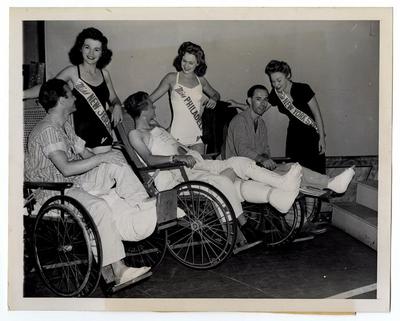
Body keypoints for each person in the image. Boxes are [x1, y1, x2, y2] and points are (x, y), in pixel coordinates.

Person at [124, 91, 311, 245]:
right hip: (176, 176)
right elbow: (149, 159)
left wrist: (186, 151)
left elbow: (176, 145)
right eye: (151, 104)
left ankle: (282, 183)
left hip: (194, 164)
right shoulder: (135, 134)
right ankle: (243, 226)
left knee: (239, 162)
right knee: (221, 181)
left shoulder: (156, 129)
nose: (154, 107)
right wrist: (177, 157)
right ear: (143, 109)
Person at [25, 79, 157, 286]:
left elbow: (84, 155)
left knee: (116, 161)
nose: (76, 97)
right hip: (53, 192)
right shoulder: (47, 130)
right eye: (71, 94)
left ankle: (144, 205)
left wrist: (105, 156)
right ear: (61, 100)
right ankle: (119, 270)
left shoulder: (65, 125)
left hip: (73, 183)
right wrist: (99, 159)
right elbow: (66, 168)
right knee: (99, 206)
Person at [225, 84, 355, 196]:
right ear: (249, 100)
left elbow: (265, 149)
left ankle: (330, 183)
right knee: (288, 177)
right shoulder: (239, 121)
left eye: (265, 100)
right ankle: (329, 183)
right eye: (258, 99)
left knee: (293, 168)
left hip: (258, 168)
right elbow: (242, 149)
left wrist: (265, 158)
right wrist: (262, 159)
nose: (263, 103)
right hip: (242, 170)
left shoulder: (262, 124)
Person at [24, 27, 123, 154]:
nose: (91, 53)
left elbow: (114, 98)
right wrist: (20, 93)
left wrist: (117, 105)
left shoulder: (105, 74)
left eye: (96, 49)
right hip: (80, 139)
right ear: (80, 48)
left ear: (102, 52)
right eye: (87, 47)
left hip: (103, 135)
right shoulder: (72, 72)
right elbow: (48, 88)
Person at [149, 41, 221, 154]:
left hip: (197, 136)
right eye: (184, 61)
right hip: (176, 136)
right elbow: (149, 100)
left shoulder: (201, 80)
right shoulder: (171, 78)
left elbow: (216, 94)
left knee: (201, 169)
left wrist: (214, 99)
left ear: (198, 63)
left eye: (191, 63)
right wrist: (156, 124)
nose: (186, 66)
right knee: (181, 170)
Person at [265, 60, 327, 174]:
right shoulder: (275, 94)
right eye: (273, 81)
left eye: (279, 80)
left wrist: (322, 138)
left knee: (316, 173)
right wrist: (242, 105)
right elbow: (261, 107)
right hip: (294, 136)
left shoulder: (303, 88)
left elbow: (317, 114)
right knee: (295, 174)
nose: (276, 85)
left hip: (311, 136)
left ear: (288, 75)